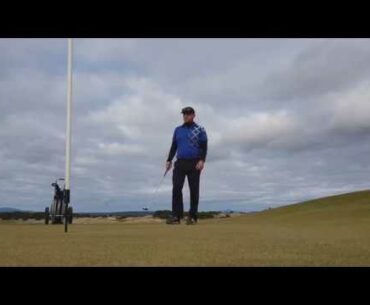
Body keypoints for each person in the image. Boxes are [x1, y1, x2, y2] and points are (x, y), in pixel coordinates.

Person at [165, 106, 208, 225]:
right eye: (184, 114)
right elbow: (174, 146)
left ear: (193, 115)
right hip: (180, 163)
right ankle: (176, 216)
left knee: (194, 190)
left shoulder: (200, 129)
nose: (186, 116)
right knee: (176, 188)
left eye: (188, 114)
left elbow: (204, 146)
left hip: (195, 163)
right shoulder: (177, 130)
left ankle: (192, 216)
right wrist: (169, 160)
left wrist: (202, 160)